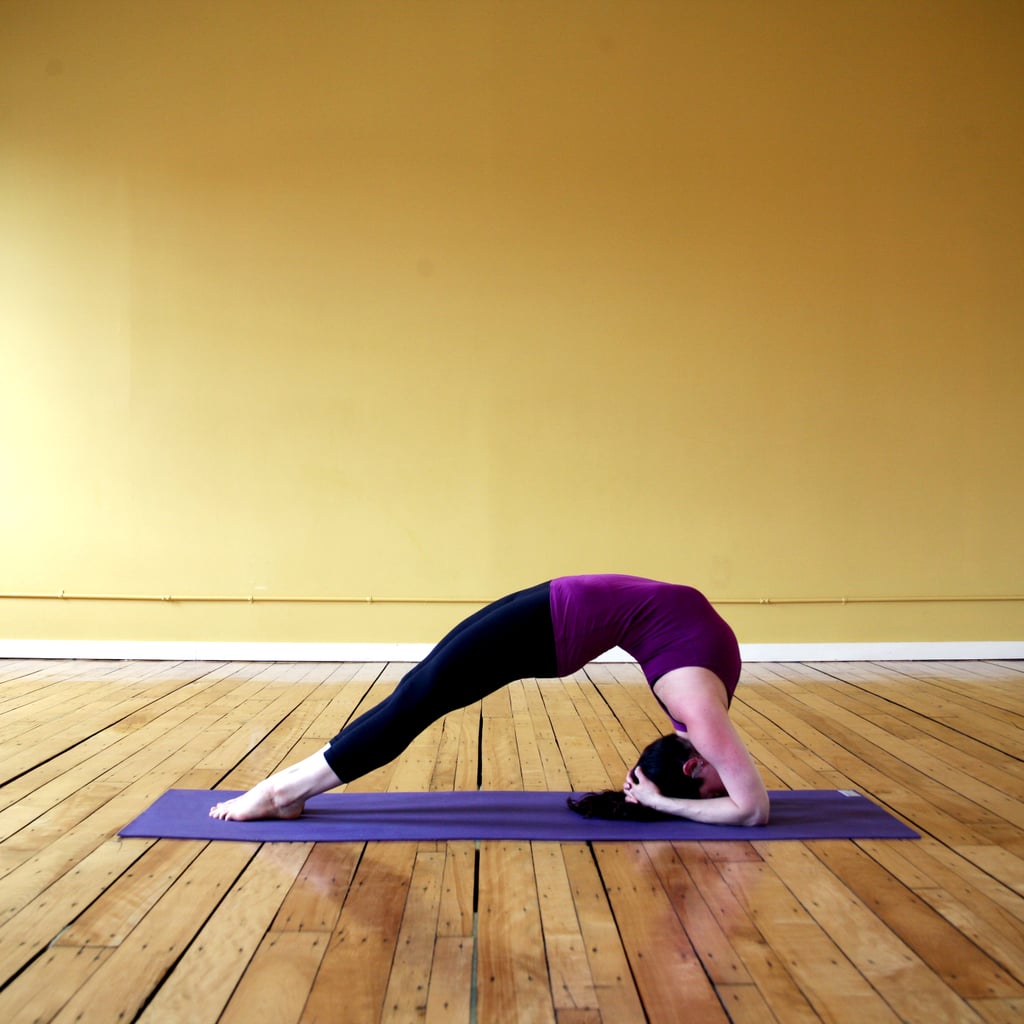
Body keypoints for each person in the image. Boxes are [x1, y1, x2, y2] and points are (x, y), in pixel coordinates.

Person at [209, 574, 770, 826]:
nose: (728, 776)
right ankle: (285, 790)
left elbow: (744, 808)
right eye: (714, 782)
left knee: (414, 702)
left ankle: (282, 790)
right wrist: (664, 803)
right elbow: (751, 809)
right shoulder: (701, 718)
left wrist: (663, 801)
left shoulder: (698, 715)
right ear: (693, 763)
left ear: (690, 762)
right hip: (555, 616)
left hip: (557, 615)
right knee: (415, 698)